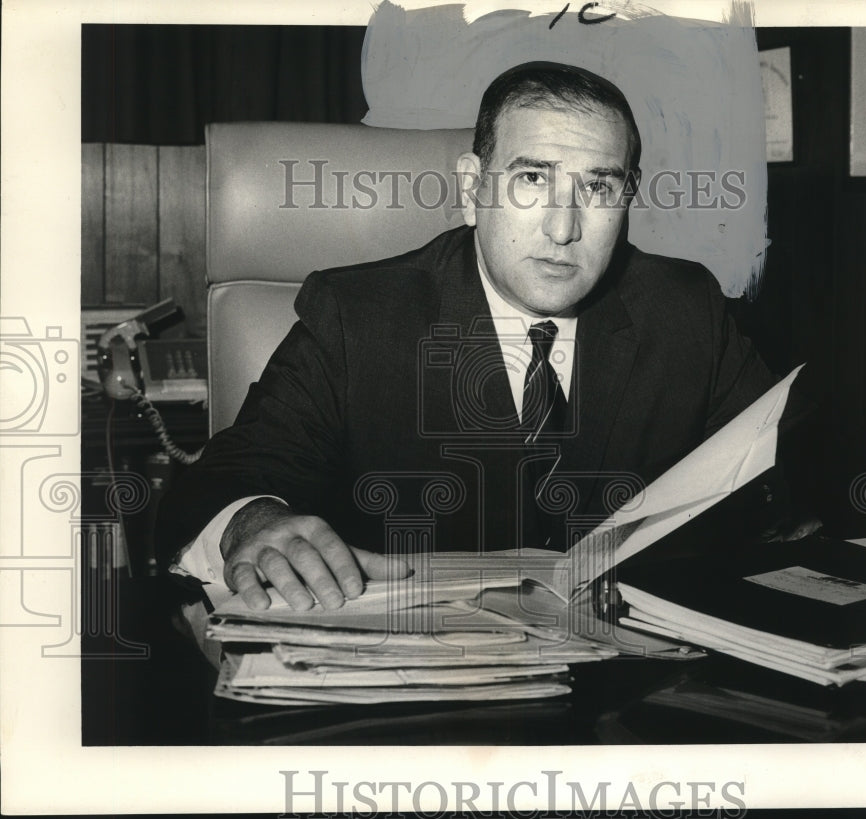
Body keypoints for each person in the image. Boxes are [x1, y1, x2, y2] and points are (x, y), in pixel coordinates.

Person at [156, 62, 778, 612]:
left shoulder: (684, 307)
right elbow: (224, 479)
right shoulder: (357, 317)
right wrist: (253, 522)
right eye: (531, 180)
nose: (564, 229)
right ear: (471, 187)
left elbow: (788, 471)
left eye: (598, 187)